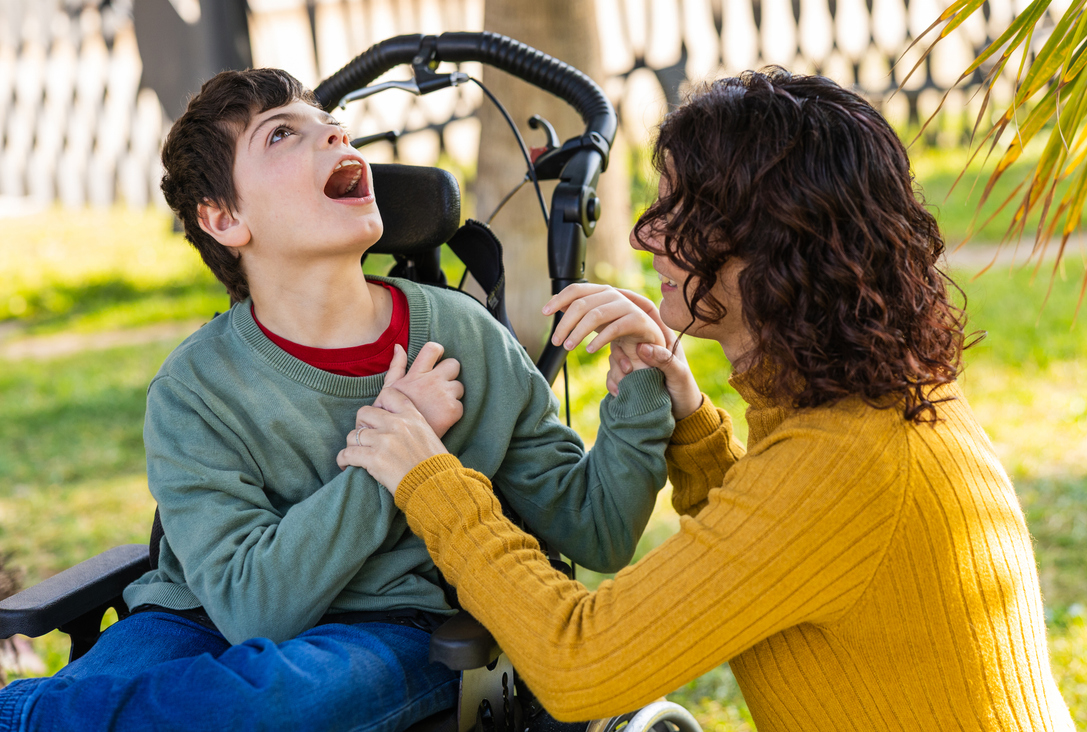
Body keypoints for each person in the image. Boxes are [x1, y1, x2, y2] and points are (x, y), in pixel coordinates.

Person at [339, 69, 1077, 730]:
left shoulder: (840, 466)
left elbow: (578, 663)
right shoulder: (894, 401)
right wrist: (690, 415)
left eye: (681, 213)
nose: (646, 233)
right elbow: (784, 548)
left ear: (776, 243)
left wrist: (430, 481)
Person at [0, 68, 676, 732]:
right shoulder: (194, 390)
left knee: (274, 703)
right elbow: (247, 606)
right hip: (192, 616)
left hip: (393, 625)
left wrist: (643, 374)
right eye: (281, 136)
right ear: (224, 218)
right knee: (107, 691)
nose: (336, 139)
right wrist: (394, 443)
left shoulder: (466, 340)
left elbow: (599, 529)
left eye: (335, 128)